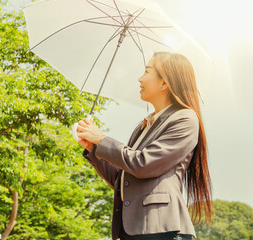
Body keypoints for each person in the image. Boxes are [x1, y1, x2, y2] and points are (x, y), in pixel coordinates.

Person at [77, 52, 212, 240]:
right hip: (134, 231)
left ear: (164, 83)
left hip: (162, 231)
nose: (140, 79)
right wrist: (94, 148)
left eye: (147, 72)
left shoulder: (185, 119)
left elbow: (143, 164)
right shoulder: (143, 126)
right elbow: (122, 179)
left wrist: (102, 139)